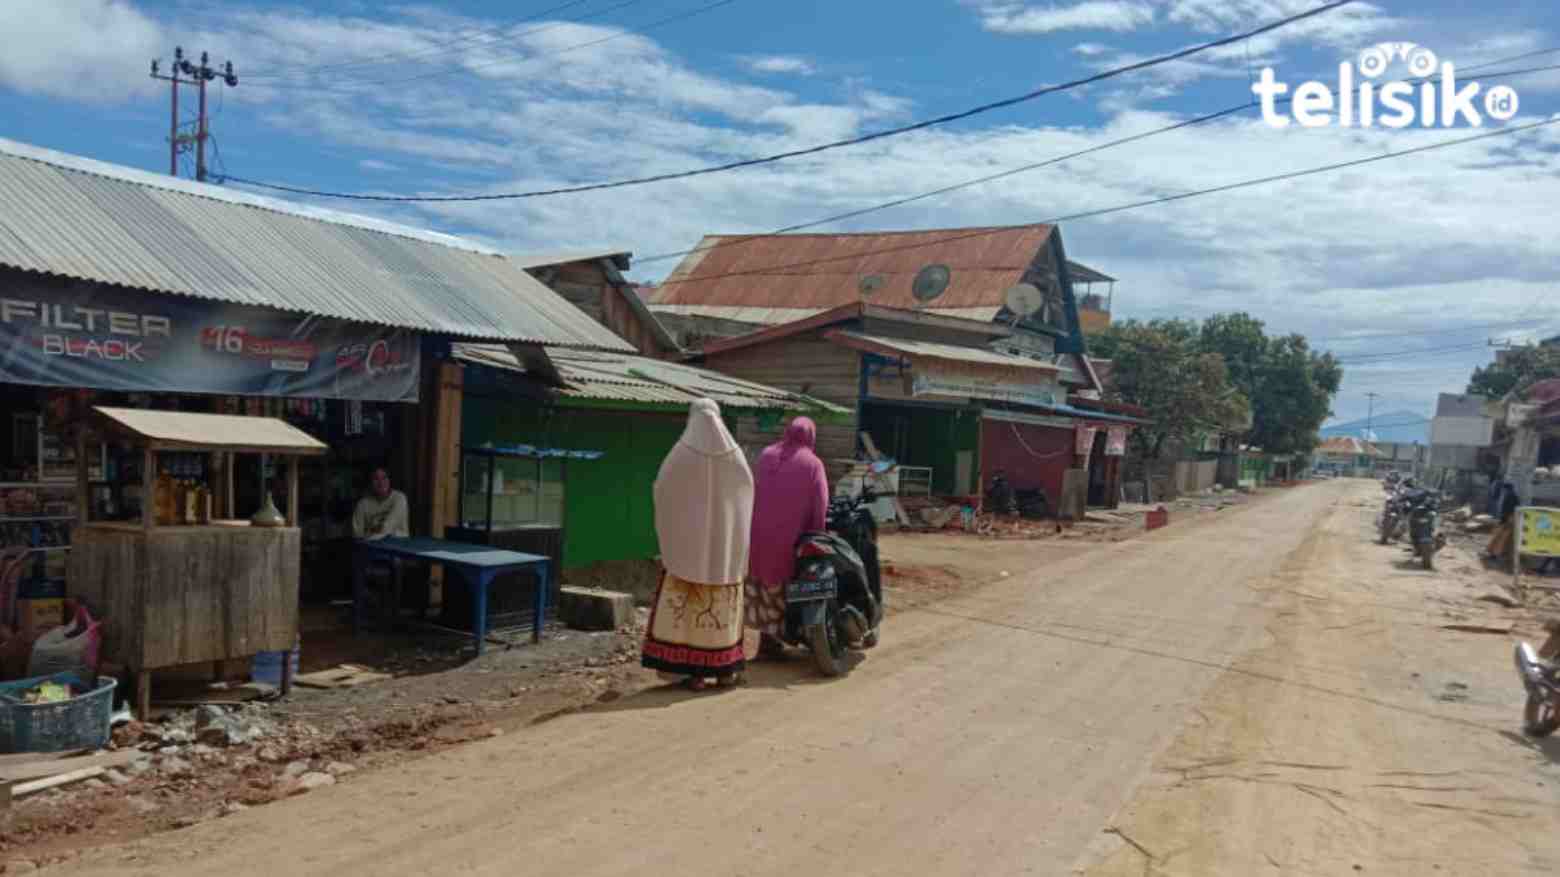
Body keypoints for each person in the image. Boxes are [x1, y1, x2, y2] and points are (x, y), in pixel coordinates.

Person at [641, 399, 754, 691]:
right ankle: (725, 672)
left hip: (687, 553)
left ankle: (696, 675)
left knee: (689, 617)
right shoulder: (736, 457)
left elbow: (661, 490)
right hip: (724, 555)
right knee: (720, 615)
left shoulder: (680, 455)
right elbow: (746, 498)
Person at [746, 417, 830, 660]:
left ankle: (767, 641)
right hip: (790, 537)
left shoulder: (766, 455)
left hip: (758, 535)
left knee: (762, 583)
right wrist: (817, 534)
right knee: (785, 583)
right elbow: (820, 503)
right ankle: (787, 635)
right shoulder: (813, 463)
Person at [353, 467, 409, 540]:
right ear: (370, 482)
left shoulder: (399, 498)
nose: (381, 482)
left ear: (389, 480)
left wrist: (373, 530)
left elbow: (387, 527)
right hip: (372, 546)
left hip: (398, 545)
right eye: (376, 479)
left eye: (384, 478)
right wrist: (378, 530)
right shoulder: (362, 504)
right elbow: (357, 534)